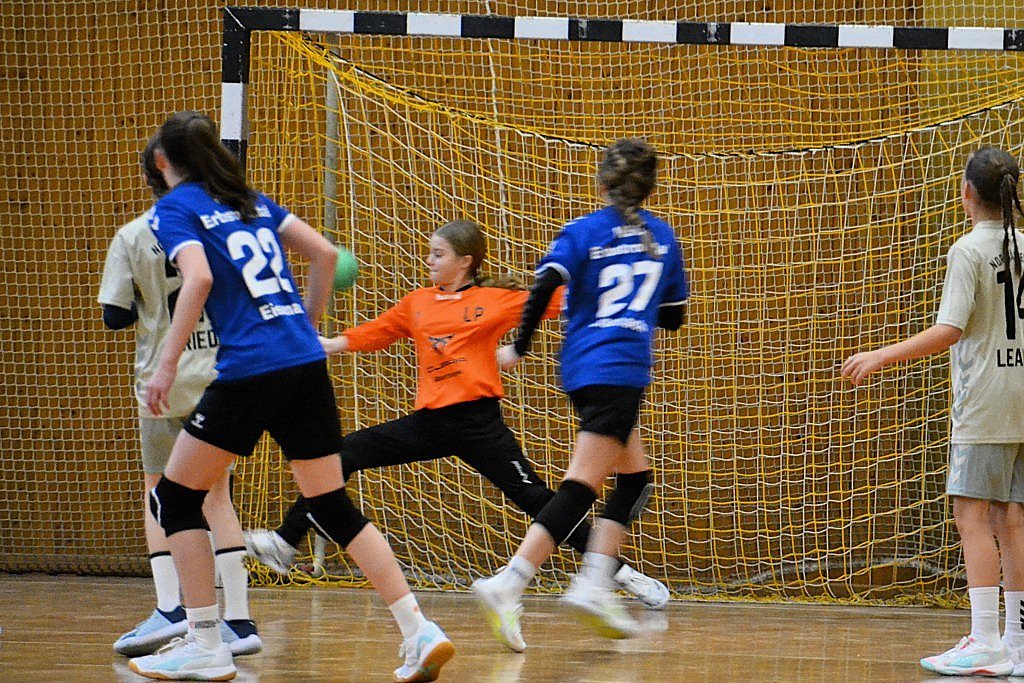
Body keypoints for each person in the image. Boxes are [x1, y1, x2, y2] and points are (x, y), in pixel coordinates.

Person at [125, 111, 453, 683]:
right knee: (330, 503)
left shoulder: (175, 208)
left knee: (174, 500)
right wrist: (306, 326)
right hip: (303, 364)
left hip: (252, 369)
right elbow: (325, 254)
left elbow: (198, 279)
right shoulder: (251, 200)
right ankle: (418, 629)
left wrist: (167, 363)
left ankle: (204, 642)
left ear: (160, 161)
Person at [242, 220, 671, 650]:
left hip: (479, 425)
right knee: (342, 455)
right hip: (429, 424)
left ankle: (617, 573)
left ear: (465, 261)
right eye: (430, 253)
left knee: (539, 501)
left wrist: (615, 289)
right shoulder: (417, 302)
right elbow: (379, 331)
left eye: (439, 254)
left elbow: (558, 300)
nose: (429, 260)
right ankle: (284, 541)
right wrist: (332, 344)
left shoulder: (494, 299)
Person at [471, 138, 689, 649]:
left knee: (633, 479)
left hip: (582, 367)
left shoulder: (584, 230)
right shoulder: (662, 237)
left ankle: (592, 580)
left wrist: (520, 346)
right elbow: (675, 317)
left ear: (602, 183)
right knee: (583, 483)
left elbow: (544, 283)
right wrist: (638, 308)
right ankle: (514, 582)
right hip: (620, 369)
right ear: (650, 188)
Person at [842, 146, 1024, 677]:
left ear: (966, 193)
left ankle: (985, 640)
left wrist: (881, 355)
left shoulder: (967, 251)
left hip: (986, 401)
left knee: (972, 514)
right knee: (1012, 518)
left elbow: (949, 330)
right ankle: (1016, 643)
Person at [98, 136, 261, 659]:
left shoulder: (133, 233)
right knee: (217, 496)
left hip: (164, 383)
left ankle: (171, 607)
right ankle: (239, 619)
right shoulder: (221, 226)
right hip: (220, 375)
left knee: (159, 491)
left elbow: (114, 315)